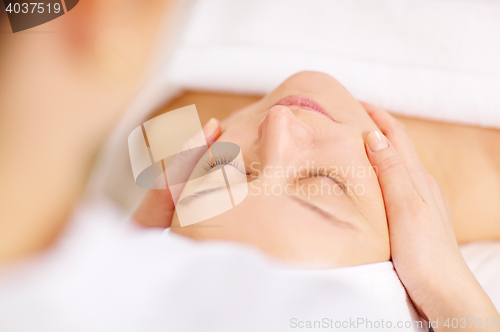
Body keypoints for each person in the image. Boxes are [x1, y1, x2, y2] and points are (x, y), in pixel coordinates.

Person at [134, 71, 500, 327]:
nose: (278, 122)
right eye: (325, 183)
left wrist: (127, 244)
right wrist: (448, 289)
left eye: (222, 170)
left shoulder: (155, 110)